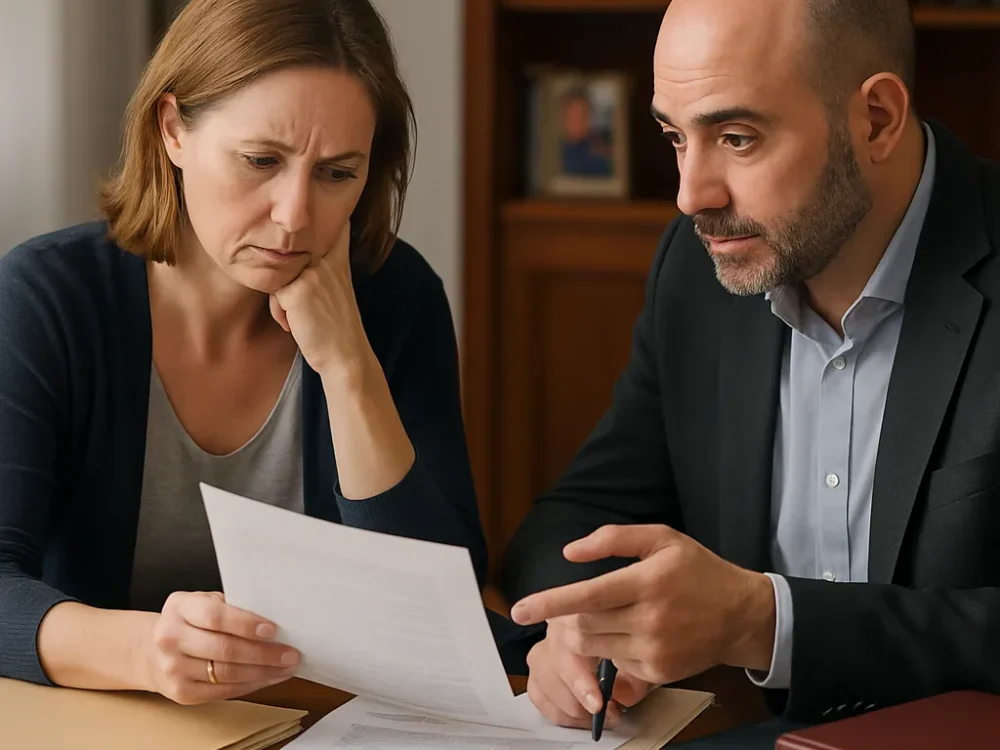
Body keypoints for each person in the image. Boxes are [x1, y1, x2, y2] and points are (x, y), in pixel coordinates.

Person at [503, 0, 1000, 731]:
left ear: (878, 120)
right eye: (675, 136)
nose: (690, 195)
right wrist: (585, 633)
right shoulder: (697, 270)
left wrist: (766, 624)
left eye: (736, 137)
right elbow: (574, 520)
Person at [0, 0, 491, 706]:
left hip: (315, 720)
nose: (295, 216)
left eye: (336, 174)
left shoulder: (396, 299)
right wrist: (145, 651)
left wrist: (350, 368)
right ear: (173, 130)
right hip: (108, 718)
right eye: (261, 160)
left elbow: (443, 607)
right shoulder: (47, 298)